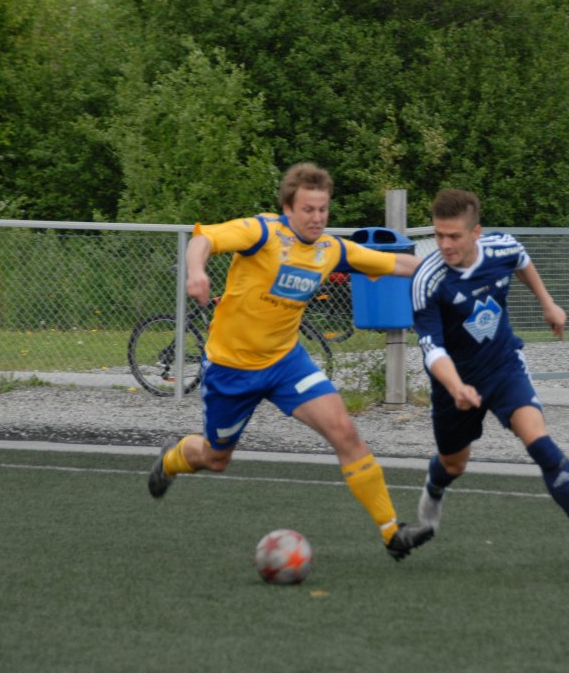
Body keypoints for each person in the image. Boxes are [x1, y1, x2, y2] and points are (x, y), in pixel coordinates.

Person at [147, 163, 433, 561]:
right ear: (287, 208)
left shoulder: (330, 249)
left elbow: (395, 264)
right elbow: (203, 239)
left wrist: (450, 272)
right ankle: (171, 459)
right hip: (232, 369)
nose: (317, 218)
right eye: (308, 210)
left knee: (344, 431)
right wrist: (196, 271)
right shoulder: (261, 233)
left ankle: (392, 532)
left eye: (323, 209)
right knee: (215, 458)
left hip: (286, 364)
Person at [410, 189, 569, 564]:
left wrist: (548, 303)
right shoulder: (428, 279)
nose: (445, 244)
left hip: (503, 367)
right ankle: (434, 489)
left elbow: (522, 260)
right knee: (453, 465)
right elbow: (432, 349)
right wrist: (457, 386)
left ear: (476, 232)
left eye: (454, 236)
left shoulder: (501, 248)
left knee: (541, 444)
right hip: (454, 385)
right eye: (439, 235)